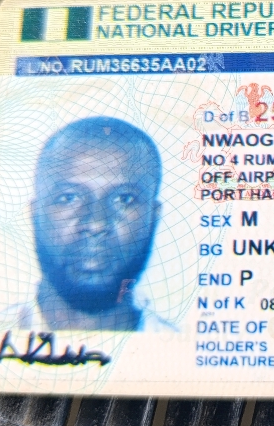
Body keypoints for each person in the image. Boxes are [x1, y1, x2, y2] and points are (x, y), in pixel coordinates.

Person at [12, 116, 174, 332]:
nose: (96, 224)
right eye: (68, 197)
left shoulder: (180, 348)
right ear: (35, 213)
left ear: (153, 217)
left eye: (124, 199)